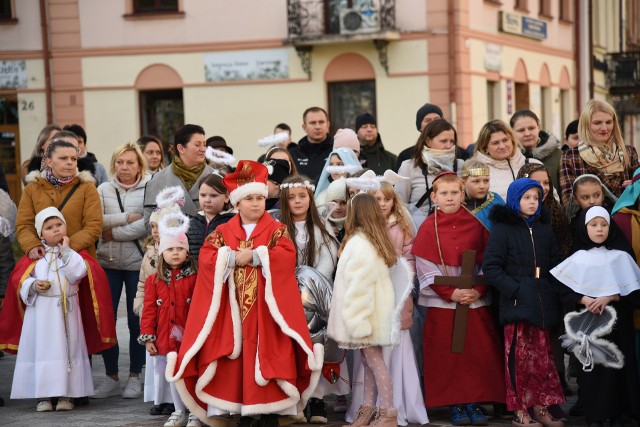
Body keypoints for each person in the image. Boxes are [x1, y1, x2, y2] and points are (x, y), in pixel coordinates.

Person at [166, 160, 323, 426]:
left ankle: (271, 409)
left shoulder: (275, 229)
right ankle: (237, 408)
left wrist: (258, 255)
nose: (255, 204)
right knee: (234, 356)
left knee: (267, 354)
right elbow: (206, 257)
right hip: (231, 310)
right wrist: (227, 256)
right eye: (249, 198)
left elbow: (287, 256)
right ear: (236, 203)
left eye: (260, 198)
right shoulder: (224, 231)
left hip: (267, 310)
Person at [413, 172, 504, 425]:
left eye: (455, 192)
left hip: (474, 300)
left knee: (475, 353)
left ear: (462, 194)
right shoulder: (427, 227)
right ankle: (455, 404)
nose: (450, 197)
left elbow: (490, 260)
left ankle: (474, 402)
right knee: (448, 355)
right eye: (444, 193)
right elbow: (424, 266)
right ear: (434, 197)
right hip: (443, 303)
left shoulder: (477, 225)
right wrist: (451, 293)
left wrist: (478, 290)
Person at [7, 207, 115, 411]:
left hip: (68, 311)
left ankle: (68, 395)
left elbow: (77, 274)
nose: (56, 230)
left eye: (59, 225)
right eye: (49, 227)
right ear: (40, 234)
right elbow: (19, 281)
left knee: (69, 351)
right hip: (41, 312)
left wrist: (65, 251)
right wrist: (32, 285)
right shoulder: (35, 256)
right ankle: (44, 396)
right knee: (43, 352)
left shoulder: (73, 254)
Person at [483, 178, 566, 427]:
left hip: (542, 300)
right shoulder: (503, 229)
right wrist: (516, 290)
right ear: (514, 199)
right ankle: (520, 410)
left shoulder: (544, 229)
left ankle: (541, 407)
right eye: (526, 197)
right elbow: (491, 267)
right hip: (518, 302)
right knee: (519, 360)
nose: (532, 202)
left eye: (536, 198)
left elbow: (555, 264)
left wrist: (551, 290)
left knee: (543, 360)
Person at [346, 181, 429, 426]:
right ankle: (369, 407)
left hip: (395, 298)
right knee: (370, 359)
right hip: (369, 303)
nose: (382, 204)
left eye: (387, 199)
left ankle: (392, 409)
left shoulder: (401, 226)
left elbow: (408, 261)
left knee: (391, 354)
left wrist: (401, 290)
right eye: (377, 199)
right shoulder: (362, 232)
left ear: (394, 201)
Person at [327, 193, 412, 427]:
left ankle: (387, 412)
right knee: (369, 364)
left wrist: (358, 322)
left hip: (365, 317)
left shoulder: (360, 245)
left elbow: (359, 288)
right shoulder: (368, 241)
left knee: (375, 363)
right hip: (368, 315)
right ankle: (367, 410)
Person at [551, 206, 640, 426]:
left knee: (618, 367)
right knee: (591, 370)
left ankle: (619, 413)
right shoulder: (578, 258)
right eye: (593, 225)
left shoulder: (622, 257)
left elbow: (636, 295)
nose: (599, 230)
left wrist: (611, 297)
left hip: (618, 326)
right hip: (588, 325)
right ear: (584, 228)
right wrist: (583, 299)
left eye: (603, 225)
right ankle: (596, 415)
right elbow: (562, 290)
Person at [278, 174, 343, 423]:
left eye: (302, 196)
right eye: (292, 197)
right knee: (290, 349)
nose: (297, 201)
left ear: (310, 198)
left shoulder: (322, 228)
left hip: (313, 299)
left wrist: (306, 287)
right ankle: (293, 400)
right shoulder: (277, 227)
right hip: (284, 297)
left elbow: (327, 264)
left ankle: (316, 400)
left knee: (315, 348)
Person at [93, 142, 152, 400]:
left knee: (136, 321)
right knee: (106, 320)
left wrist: (112, 231)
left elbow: (146, 225)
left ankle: (135, 377)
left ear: (139, 165)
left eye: (130, 162)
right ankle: (111, 376)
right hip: (108, 262)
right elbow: (96, 222)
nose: (124, 167)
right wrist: (126, 217)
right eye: (119, 162)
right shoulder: (103, 189)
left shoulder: (150, 187)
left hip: (138, 265)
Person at [139, 211, 202, 427]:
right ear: (162, 252)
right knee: (172, 375)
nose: (175, 253)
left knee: (191, 372)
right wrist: (148, 336)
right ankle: (178, 410)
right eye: (170, 249)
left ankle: (194, 412)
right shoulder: (153, 280)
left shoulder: (195, 277)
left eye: (179, 249)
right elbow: (148, 310)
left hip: (189, 335)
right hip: (165, 336)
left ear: (186, 252)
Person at [134, 186, 184, 417]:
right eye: (152, 226)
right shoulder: (150, 253)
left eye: (159, 226)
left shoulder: (177, 252)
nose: (154, 231)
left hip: (173, 320)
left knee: (171, 358)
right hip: (153, 316)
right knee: (156, 362)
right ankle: (159, 397)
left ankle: (174, 400)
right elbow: (144, 283)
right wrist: (140, 306)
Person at [17, 139, 102, 259]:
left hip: (79, 259)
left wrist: (67, 247)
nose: (70, 162)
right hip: (43, 259)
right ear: (49, 162)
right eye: (63, 158)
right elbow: (24, 224)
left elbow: (94, 226)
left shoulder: (87, 188)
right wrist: (32, 245)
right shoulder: (32, 189)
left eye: (73, 159)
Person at [560, 100, 640, 203]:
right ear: (586, 125)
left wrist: (636, 188)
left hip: (626, 217)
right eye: (597, 123)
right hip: (589, 218)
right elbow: (569, 203)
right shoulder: (571, 157)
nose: (604, 128)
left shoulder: (629, 152)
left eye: (608, 122)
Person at [143, 124, 216, 225]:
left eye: (204, 144)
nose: (203, 149)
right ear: (181, 148)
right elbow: (149, 223)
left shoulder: (216, 177)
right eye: (197, 145)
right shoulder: (158, 180)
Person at [395, 119, 463, 220]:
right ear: (428, 141)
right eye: (443, 141)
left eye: (452, 141)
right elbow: (398, 206)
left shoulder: (460, 165)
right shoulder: (409, 167)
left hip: (453, 229)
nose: (449, 146)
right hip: (419, 231)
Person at [472, 120, 542, 201]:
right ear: (485, 148)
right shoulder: (477, 172)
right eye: (495, 143)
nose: (502, 146)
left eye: (505, 140)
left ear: (512, 140)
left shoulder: (534, 165)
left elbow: (552, 201)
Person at [517, 164, 572, 260]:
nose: (542, 188)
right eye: (535, 182)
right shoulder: (510, 214)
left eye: (546, 183)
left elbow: (565, 247)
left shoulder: (557, 211)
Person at [510, 110, 563, 194]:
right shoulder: (509, 158)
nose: (527, 133)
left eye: (531, 128)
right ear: (512, 132)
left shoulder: (557, 155)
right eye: (521, 130)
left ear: (538, 127)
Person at [186, 173, 234, 260]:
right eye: (203, 195)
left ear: (226, 197)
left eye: (213, 195)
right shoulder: (191, 223)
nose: (207, 200)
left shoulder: (234, 222)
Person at [24, 129, 97, 183]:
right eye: (64, 146)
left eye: (74, 148)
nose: (70, 151)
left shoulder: (86, 182)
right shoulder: (35, 181)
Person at [395, 103, 444, 171]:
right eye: (428, 120)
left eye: (437, 119)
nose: (433, 123)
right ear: (420, 127)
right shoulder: (406, 156)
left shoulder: (457, 153)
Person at [289, 107, 334, 182]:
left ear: (328, 125)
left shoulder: (337, 151)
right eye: (313, 123)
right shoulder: (293, 154)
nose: (317, 127)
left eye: (321, 122)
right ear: (304, 127)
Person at [461, 159, 504, 232]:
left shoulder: (495, 200)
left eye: (486, 181)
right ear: (463, 183)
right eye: (476, 181)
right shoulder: (457, 206)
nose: (482, 186)